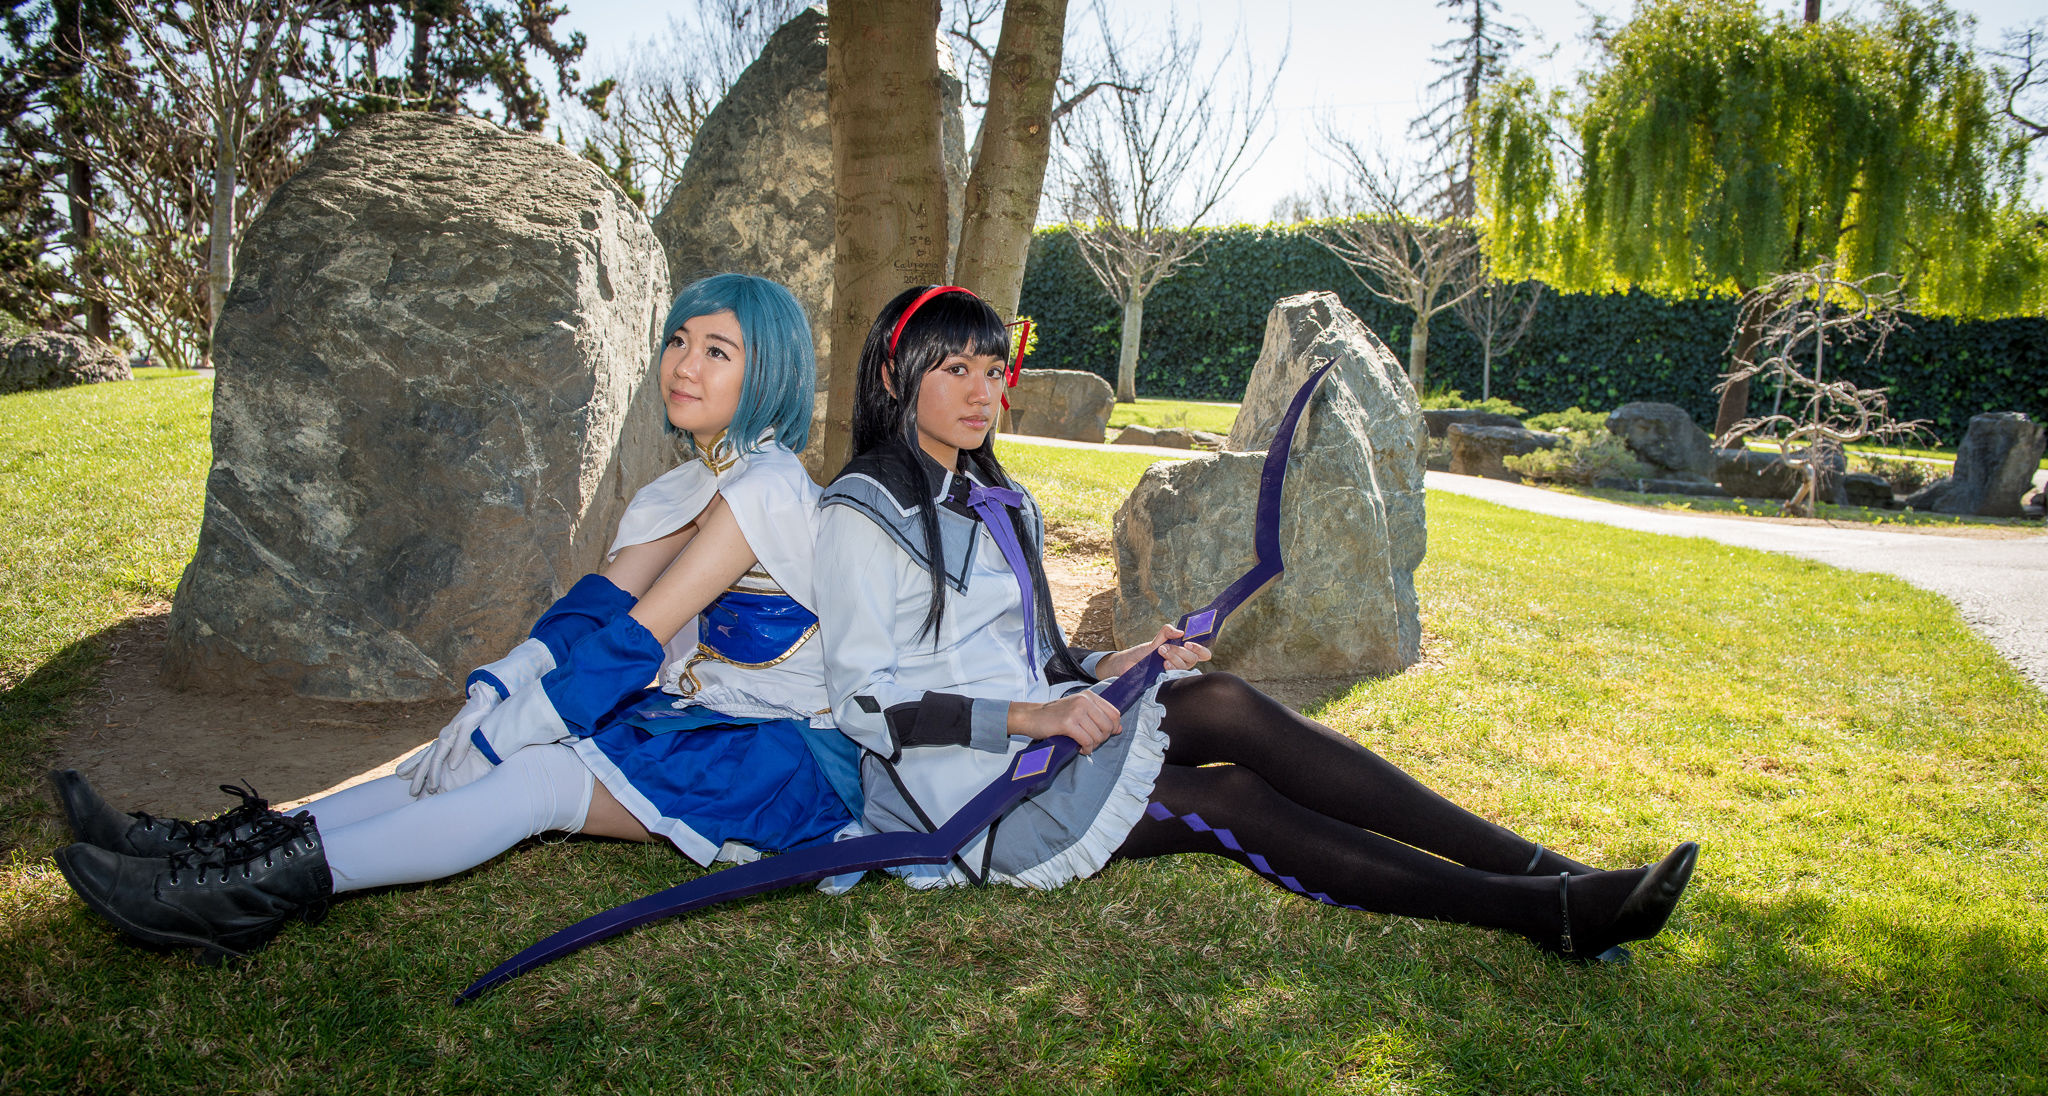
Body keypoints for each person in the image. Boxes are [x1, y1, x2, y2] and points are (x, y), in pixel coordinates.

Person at [812, 285, 1697, 962]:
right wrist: (1032, 716)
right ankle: (1546, 913)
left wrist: (1126, 657)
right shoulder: (861, 511)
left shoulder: (1000, 497)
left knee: (1224, 698)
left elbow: (1038, 656)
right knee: (1226, 799)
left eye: (991, 369)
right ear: (894, 376)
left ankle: (1548, 868)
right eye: (954, 370)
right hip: (960, 794)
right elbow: (862, 703)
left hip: (1037, 738)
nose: (982, 392)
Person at [51, 273, 861, 961]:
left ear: (770, 373)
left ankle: (239, 896)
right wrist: (496, 692)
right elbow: (596, 610)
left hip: (791, 758)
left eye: (717, 351)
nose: (683, 365)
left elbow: (638, 637)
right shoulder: (695, 482)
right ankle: (229, 848)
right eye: (678, 340)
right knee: (448, 753)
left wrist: (506, 732)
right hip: (709, 721)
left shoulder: (764, 489)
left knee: (535, 778)